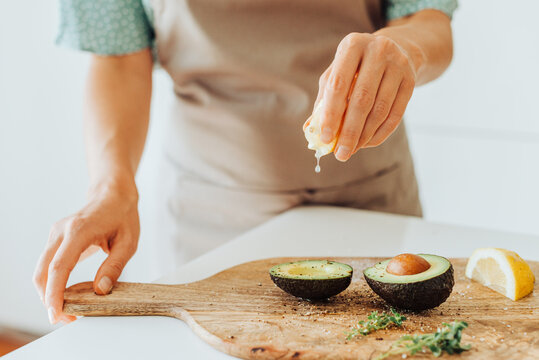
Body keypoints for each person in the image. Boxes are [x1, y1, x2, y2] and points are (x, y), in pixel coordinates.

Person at [34, 0, 457, 324]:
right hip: (207, 213)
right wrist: (112, 186)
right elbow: (119, 56)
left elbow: (429, 19)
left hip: (371, 198)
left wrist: (403, 48)